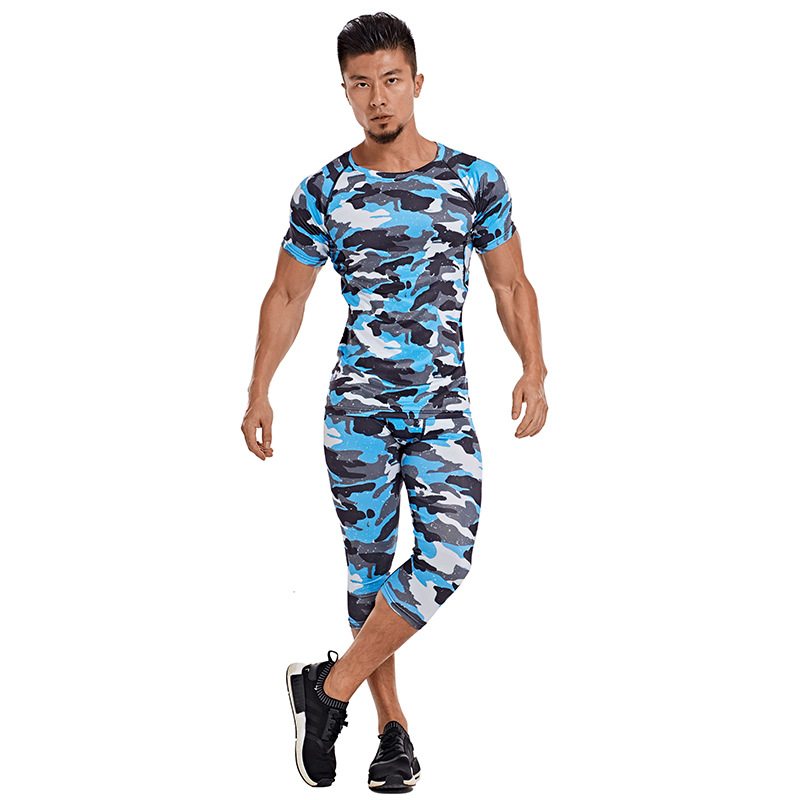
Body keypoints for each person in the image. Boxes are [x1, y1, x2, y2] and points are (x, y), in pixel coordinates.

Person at [241, 12, 548, 792]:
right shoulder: (325, 190)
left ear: (417, 82)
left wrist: (534, 367)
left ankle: (328, 689)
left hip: (442, 406)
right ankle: (392, 734)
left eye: (390, 80)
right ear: (344, 91)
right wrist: (259, 389)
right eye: (360, 84)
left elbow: (511, 283)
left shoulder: (474, 180)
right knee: (370, 572)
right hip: (358, 409)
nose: (377, 98)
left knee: (447, 555)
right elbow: (287, 294)